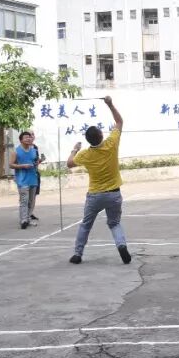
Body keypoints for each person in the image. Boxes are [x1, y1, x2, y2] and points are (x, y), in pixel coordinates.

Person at [66, 97, 130, 265]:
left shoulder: (85, 154)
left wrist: (74, 149)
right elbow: (119, 121)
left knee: (86, 224)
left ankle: (77, 254)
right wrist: (110, 104)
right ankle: (121, 245)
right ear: (101, 135)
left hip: (95, 195)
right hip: (114, 194)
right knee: (114, 223)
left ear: (88, 140)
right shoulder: (111, 144)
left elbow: (69, 164)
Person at [11, 131, 40, 229]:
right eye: (26, 137)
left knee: (31, 201)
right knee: (24, 200)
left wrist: (38, 162)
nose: (28, 139)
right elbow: (11, 164)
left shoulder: (34, 151)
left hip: (33, 179)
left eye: (29, 137)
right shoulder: (16, 151)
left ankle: (28, 219)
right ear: (21, 140)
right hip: (22, 180)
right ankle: (23, 220)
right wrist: (22, 166)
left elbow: (34, 163)